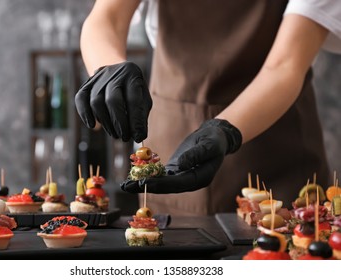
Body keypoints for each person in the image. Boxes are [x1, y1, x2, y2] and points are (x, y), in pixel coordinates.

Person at [75, 0, 341, 216]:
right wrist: (108, 67)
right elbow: (107, 17)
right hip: (170, 140)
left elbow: (285, 66)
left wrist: (225, 130)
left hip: (276, 147)